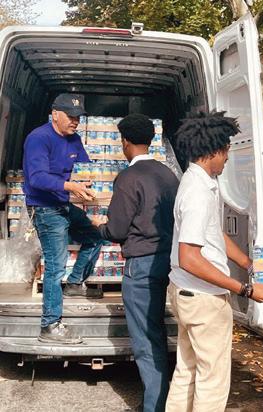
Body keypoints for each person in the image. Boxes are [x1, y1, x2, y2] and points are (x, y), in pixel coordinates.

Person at [165, 111, 263, 412]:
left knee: (187, 371)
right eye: (225, 151)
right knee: (212, 380)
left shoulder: (199, 182)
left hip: (188, 294)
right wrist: (245, 289)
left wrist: (249, 264)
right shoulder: (198, 193)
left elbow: (215, 234)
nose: (227, 158)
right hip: (204, 299)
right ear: (212, 151)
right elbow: (189, 257)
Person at [91, 114, 179, 412]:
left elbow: (117, 230)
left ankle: (155, 405)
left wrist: (99, 226)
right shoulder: (168, 175)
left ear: (125, 142)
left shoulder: (128, 178)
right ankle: (164, 399)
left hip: (140, 265)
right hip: (167, 260)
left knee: (145, 339)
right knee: (156, 330)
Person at [23, 93, 103, 345]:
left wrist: (88, 182)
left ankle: (75, 283)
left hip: (63, 204)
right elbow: (37, 178)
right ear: (55, 114)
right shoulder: (39, 138)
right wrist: (70, 186)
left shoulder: (74, 139)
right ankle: (50, 325)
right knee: (55, 266)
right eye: (71, 116)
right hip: (45, 208)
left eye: (79, 117)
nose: (75, 121)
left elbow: (85, 168)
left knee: (96, 236)